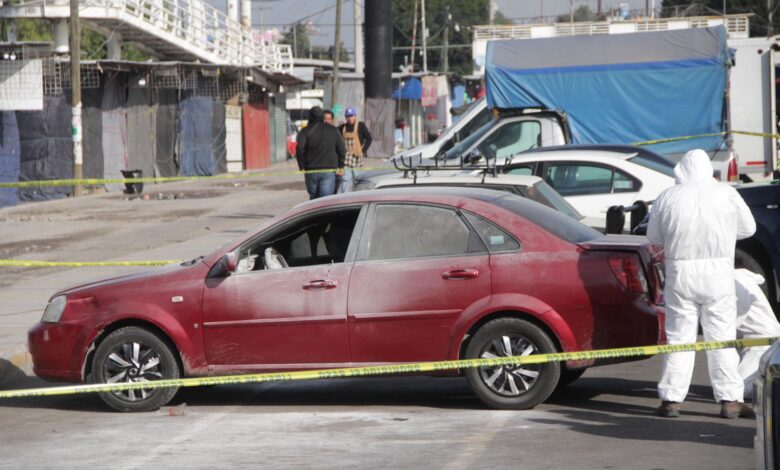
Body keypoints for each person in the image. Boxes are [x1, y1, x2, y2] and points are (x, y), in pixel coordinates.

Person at [647, 149, 756, 419]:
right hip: (718, 275)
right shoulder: (726, 193)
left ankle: (671, 400)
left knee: (680, 338)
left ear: (680, 170)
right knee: (721, 338)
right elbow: (748, 229)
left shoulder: (667, 196)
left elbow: (654, 236)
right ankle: (730, 400)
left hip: (679, 275)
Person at [735, 269, 780, 398]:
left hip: (761, 340)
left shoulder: (736, 283)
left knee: (741, 389)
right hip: (756, 337)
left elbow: (728, 325)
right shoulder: (738, 278)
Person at [295, 106, 345, 200]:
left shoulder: (305, 131)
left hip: (311, 171)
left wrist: (302, 165)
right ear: (322, 117)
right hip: (328, 171)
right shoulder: (333, 130)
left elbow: (299, 148)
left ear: (310, 117)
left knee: (313, 200)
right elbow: (342, 149)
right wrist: (341, 166)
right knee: (325, 202)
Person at [338, 107, 372, 193]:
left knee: (358, 180)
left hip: (357, 157)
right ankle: (344, 198)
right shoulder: (342, 127)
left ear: (355, 116)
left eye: (351, 116)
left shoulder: (361, 126)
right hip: (346, 158)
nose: (349, 118)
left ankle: (358, 197)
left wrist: (362, 151)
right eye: (347, 116)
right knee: (345, 179)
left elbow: (369, 139)